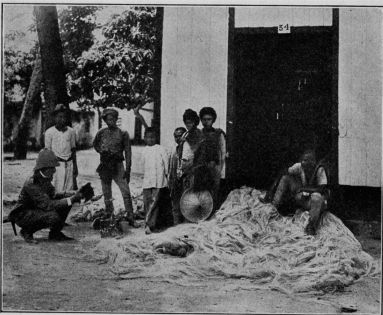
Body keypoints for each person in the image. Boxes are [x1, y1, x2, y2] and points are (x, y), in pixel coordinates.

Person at [6, 149, 83, 243]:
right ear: (45, 168)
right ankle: (26, 231)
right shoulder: (32, 183)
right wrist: (71, 199)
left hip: (36, 208)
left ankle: (55, 234)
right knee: (53, 216)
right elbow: (48, 205)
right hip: (23, 214)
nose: (54, 170)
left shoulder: (44, 176)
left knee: (66, 202)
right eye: (52, 168)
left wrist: (68, 194)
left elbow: (52, 194)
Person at [93, 108, 137, 227]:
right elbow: (95, 144)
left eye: (112, 119)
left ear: (116, 120)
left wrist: (128, 169)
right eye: (108, 119)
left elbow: (128, 152)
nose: (110, 122)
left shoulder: (123, 133)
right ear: (105, 120)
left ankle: (131, 216)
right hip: (105, 165)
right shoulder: (101, 132)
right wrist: (102, 151)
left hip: (118, 165)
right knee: (107, 192)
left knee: (125, 191)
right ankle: (109, 215)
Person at [268, 149, 329, 235]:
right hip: (302, 197)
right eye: (303, 160)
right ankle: (274, 206)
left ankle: (311, 225)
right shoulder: (300, 166)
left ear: (313, 162)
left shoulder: (319, 169)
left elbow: (322, 189)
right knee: (286, 178)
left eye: (308, 160)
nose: (305, 163)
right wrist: (271, 191)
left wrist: (304, 189)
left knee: (317, 197)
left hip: (313, 203)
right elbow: (283, 173)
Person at [134, 108, 172, 233]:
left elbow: (166, 164)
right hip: (147, 181)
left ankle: (151, 224)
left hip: (159, 180)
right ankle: (148, 222)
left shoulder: (160, 149)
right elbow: (142, 166)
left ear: (156, 138)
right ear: (144, 138)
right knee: (147, 202)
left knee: (155, 203)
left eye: (152, 137)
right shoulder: (144, 150)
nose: (150, 139)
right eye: (148, 137)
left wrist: (167, 176)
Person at [45, 104, 78, 193]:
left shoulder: (71, 131)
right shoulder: (49, 132)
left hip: (69, 164)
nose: (62, 119)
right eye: (59, 117)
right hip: (57, 165)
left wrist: (75, 166)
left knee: (69, 191)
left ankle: (67, 206)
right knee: (57, 190)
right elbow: (47, 152)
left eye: (64, 117)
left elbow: (73, 149)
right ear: (55, 117)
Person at [199, 107, 227, 210]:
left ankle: (212, 212)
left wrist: (220, 169)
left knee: (214, 191)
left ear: (213, 120)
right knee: (202, 191)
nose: (206, 122)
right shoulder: (198, 134)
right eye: (204, 119)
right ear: (201, 120)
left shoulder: (218, 134)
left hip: (214, 167)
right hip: (201, 167)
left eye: (209, 119)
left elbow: (223, 152)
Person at [168, 127, 187, 225]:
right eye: (176, 136)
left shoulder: (188, 149)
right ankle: (176, 225)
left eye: (180, 136)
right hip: (175, 181)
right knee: (175, 204)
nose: (178, 138)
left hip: (186, 181)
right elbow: (171, 167)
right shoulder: (173, 150)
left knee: (186, 202)